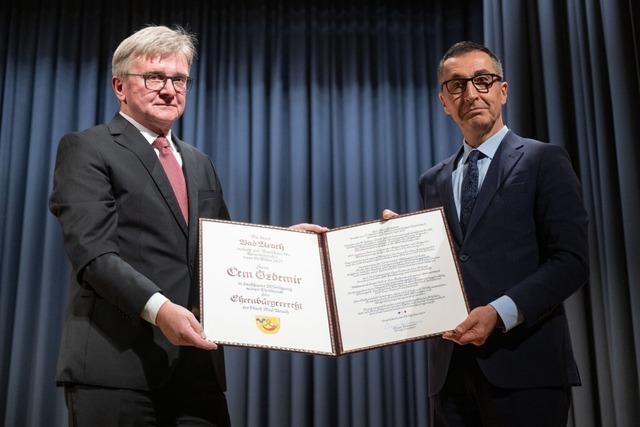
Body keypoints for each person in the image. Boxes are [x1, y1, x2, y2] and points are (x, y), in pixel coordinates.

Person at [49, 25, 324, 426]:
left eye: (179, 79)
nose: (169, 89)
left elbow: (224, 249)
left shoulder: (198, 162)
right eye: (154, 77)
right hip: (115, 370)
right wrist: (161, 311)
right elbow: (93, 255)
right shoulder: (87, 148)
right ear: (120, 86)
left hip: (197, 373)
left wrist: (284, 249)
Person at [384, 41, 588, 426]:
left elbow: (571, 262)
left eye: (482, 80)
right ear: (444, 101)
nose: (471, 93)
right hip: (451, 376)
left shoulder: (544, 160)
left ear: (502, 90)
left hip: (526, 369)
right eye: (456, 85)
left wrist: (500, 311)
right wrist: (398, 245)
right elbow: (446, 266)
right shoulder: (432, 180)